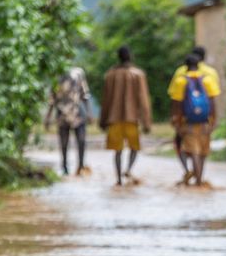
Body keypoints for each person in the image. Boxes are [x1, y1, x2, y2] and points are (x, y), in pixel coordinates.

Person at [100, 45, 152, 187]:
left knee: (117, 151)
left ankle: (118, 179)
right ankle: (128, 169)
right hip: (132, 119)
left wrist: (103, 120)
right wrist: (147, 122)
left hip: (113, 118)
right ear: (131, 56)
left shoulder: (110, 75)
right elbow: (143, 100)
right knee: (134, 147)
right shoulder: (138, 74)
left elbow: (106, 100)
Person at [170, 46, 222, 183]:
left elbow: (176, 102)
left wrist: (176, 121)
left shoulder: (180, 76)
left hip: (187, 121)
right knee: (203, 150)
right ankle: (200, 178)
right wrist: (214, 121)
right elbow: (213, 101)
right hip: (205, 120)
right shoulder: (209, 76)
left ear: (186, 64)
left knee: (190, 149)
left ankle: (191, 174)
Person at [45, 67, 91, 176]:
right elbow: (52, 99)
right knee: (64, 143)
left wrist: (89, 113)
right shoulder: (56, 75)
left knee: (81, 141)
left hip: (77, 113)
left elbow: (85, 95)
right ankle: (65, 167)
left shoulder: (78, 73)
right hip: (62, 113)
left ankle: (80, 166)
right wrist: (48, 117)